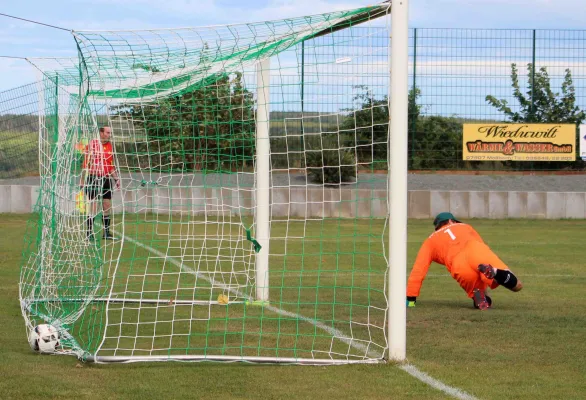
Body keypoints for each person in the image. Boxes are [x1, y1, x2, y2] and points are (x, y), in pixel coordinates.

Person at [406, 212, 523, 310]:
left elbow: (419, 270)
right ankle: (495, 272)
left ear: (437, 227)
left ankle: (482, 298)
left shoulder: (430, 241)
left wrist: (411, 299)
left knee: (478, 292)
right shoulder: (465, 226)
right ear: (451, 221)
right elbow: (480, 244)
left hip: (458, 264)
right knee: (517, 286)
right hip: (475, 250)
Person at [80, 126, 120, 241]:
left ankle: (106, 233)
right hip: (93, 178)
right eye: (107, 132)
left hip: (106, 178)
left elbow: (110, 166)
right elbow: (85, 164)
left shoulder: (110, 146)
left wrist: (116, 179)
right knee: (93, 206)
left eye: (110, 133)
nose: (109, 134)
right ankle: (89, 234)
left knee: (107, 205)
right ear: (101, 133)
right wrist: (82, 180)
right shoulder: (93, 144)